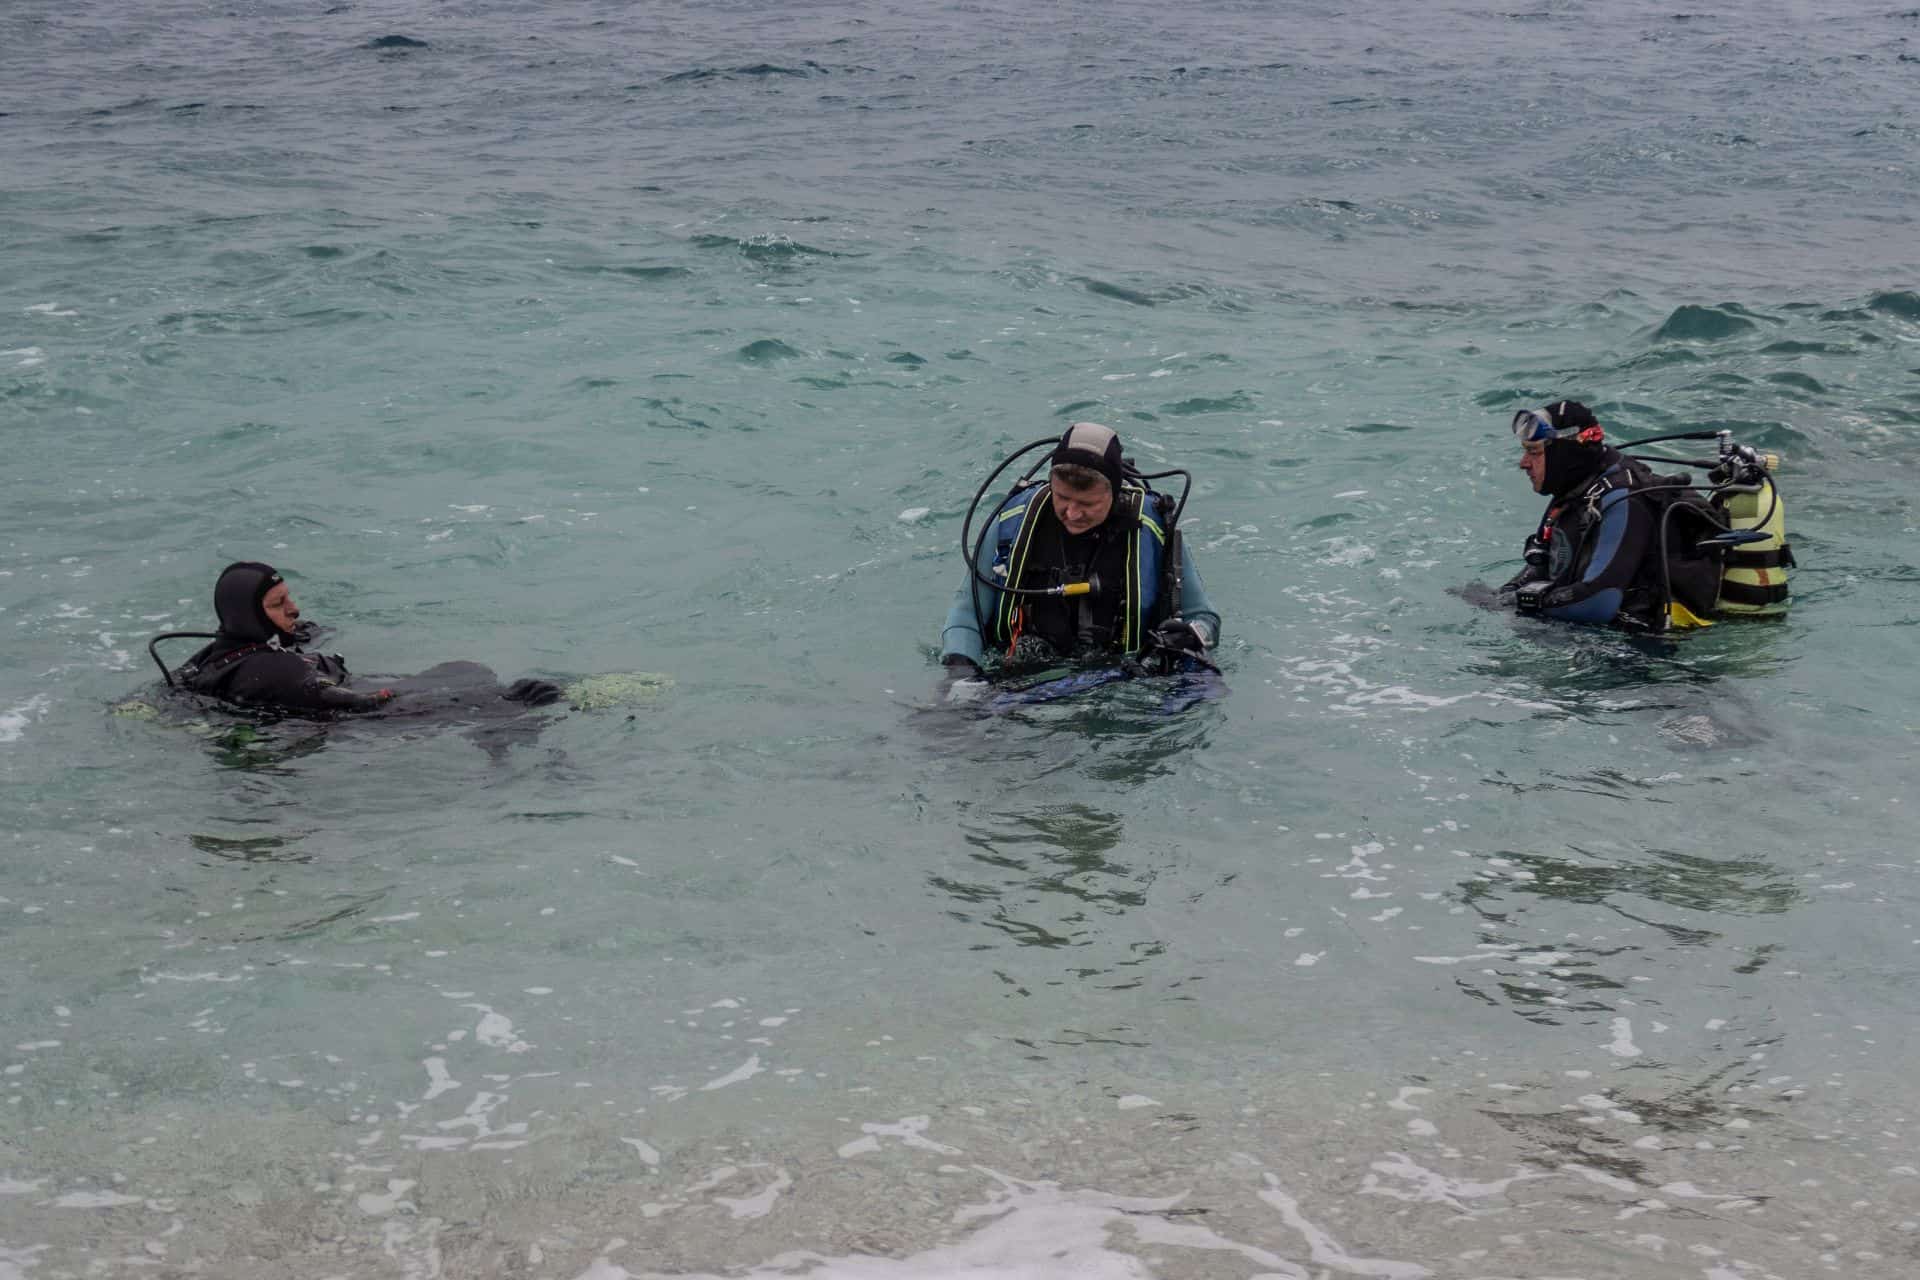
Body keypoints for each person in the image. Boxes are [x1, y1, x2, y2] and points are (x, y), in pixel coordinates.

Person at [939, 422, 1220, 697]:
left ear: (1114, 492)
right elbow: (967, 615)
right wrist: (961, 672)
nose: (1072, 513)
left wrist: (1190, 635)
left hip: (1125, 684)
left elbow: (1205, 619)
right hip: (1022, 679)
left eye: (1087, 504)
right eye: (1062, 497)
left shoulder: (1153, 529)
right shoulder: (1011, 522)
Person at [173, 561, 561, 714]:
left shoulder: (218, 655)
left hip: (319, 706)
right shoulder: (275, 670)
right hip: (365, 724)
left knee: (464, 672)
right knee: (480, 678)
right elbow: (362, 706)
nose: (295, 609)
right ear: (248, 615)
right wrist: (497, 700)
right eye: (278, 604)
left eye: (289, 598)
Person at [1500, 399, 1721, 629]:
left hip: (1644, 643)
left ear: (1565, 453)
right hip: (1589, 630)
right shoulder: (1574, 490)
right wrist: (1505, 597)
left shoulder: (1624, 499)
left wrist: (1525, 603)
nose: (1523, 463)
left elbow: (1598, 602)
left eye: (1534, 452)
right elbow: (1540, 566)